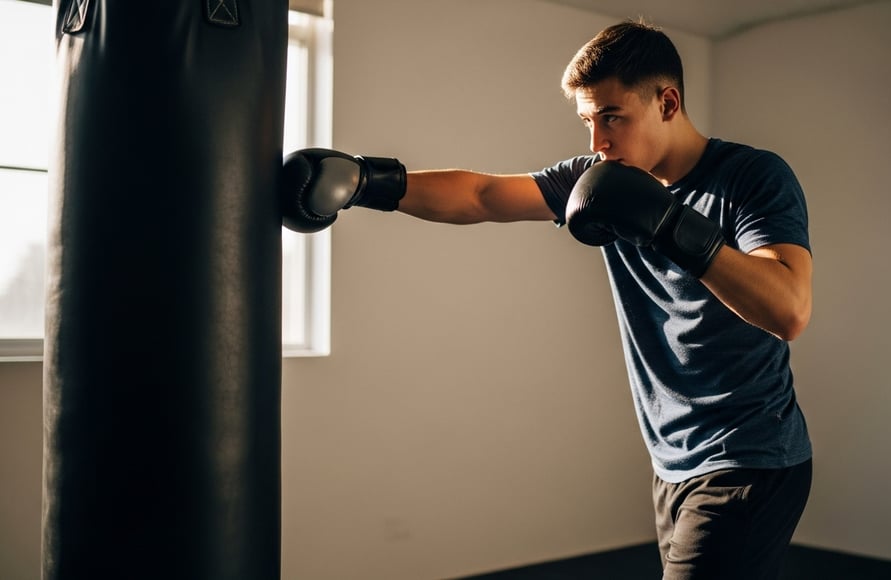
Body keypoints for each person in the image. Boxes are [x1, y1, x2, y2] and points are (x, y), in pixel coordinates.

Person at [281, 18, 813, 580]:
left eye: (612, 117)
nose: (597, 142)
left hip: (750, 455)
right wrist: (369, 183)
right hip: (672, 458)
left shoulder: (752, 177)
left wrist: (669, 224)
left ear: (668, 102)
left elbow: (789, 309)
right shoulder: (598, 176)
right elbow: (483, 195)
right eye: (588, 120)